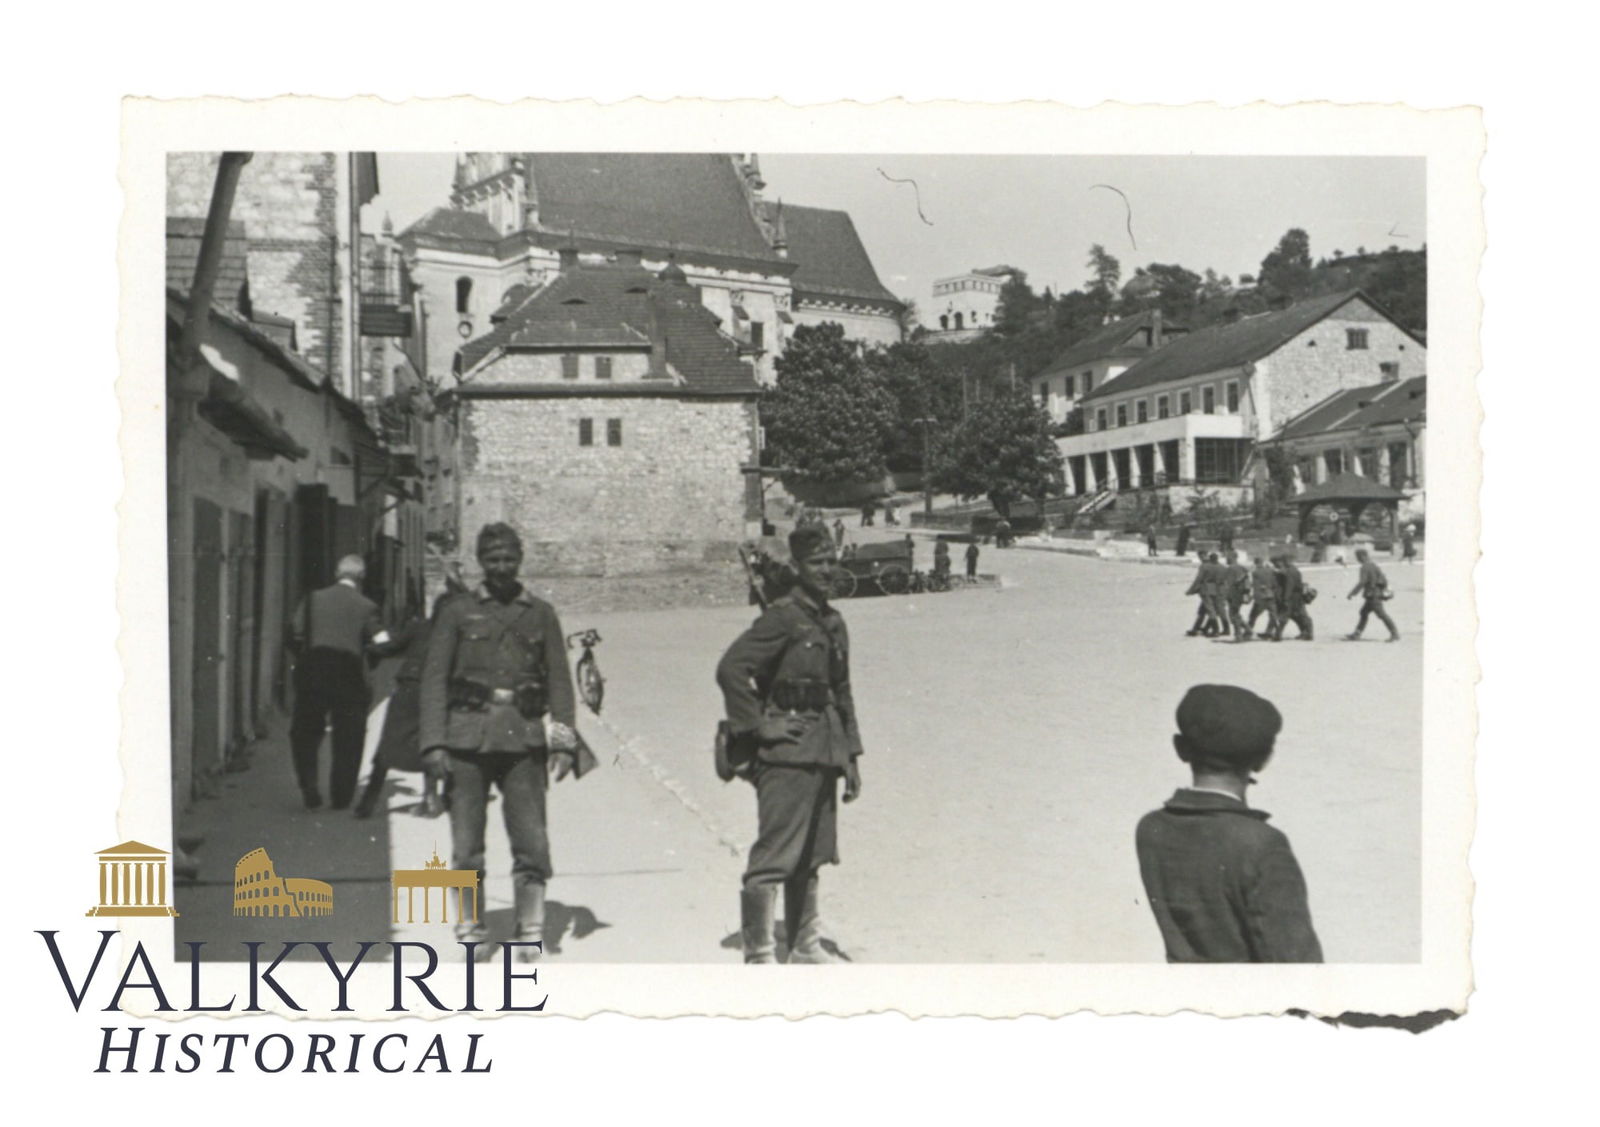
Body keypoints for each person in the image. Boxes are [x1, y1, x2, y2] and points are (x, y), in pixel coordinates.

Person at [419, 523, 589, 959]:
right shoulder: (457, 612)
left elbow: (561, 686)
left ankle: (530, 929)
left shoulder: (540, 614)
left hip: (523, 742)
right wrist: (434, 745)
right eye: (492, 560)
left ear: (519, 561)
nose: (500, 568)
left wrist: (565, 742)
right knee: (466, 845)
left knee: (531, 840)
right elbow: (434, 680)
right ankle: (471, 929)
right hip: (466, 742)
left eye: (508, 560)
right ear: (480, 561)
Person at [716, 525, 865, 964]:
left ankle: (803, 944)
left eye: (831, 561)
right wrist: (760, 728)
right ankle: (759, 951)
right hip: (785, 752)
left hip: (824, 749)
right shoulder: (781, 618)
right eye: (817, 563)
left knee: (813, 854)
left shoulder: (834, 622)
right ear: (798, 568)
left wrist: (852, 756)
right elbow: (731, 669)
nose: (827, 570)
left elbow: (843, 690)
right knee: (775, 855)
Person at [1135, 685, 1323, 962]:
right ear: (1264, 759)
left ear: (1180, 748)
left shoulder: (1151, 827)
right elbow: (1295, 964)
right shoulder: (1262, 844)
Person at [354, 565, 469, 820]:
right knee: (432, 742)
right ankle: (431, 799)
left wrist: (367, 648)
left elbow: (390, 646)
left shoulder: (420, 627)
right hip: (438, 693)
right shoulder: (458, 634)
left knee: (388, 744)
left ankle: (367, 803)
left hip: (408, 688)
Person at [289, 554, 390, 810]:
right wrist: (369, 662)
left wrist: (306, 659)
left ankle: (309, 786)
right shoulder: (367, 606)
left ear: (337, 573)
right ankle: (341, 796)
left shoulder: (313, 600)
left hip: (312, 678)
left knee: (305, 734)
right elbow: (382, 644)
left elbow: (294, 633)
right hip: (350, 680)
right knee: (349, 738)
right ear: (361, 577)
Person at [1346, 548, 1400, 642]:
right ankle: (1357, 633)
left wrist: (1352, 593)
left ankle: (1394, 633)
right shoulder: (1374, 565)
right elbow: (1383, 579)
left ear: (1363, 556)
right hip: (1375, 594)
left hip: (1372, 595)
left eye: (1358, 557)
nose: (1357, 559)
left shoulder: (1365, 567)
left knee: (1382, 615)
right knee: (1363, 612)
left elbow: (1362, 582)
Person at [1274, 551, 1314, 641]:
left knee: (1286, 615)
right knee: (1299, 615)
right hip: (1297, 597)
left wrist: (1285, 599)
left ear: (1286, 561)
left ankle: (1278, 635)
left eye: (1283, 561)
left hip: (1293, 597)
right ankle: (1307, 633)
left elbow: (1289, 586)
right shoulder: (1295, 570)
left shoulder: (1290, 572)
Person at [1247, 554, 1282, 642]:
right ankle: (1277, 633)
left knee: (1253, 616)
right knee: (1273, 616)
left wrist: (1254, 597)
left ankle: (1247, 633)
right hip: (1270, 596)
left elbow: (1255, 586)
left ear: (1255, 563)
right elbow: (1274, 584)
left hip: (1261, 598)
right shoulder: (1270, 571)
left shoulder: (1255, 572)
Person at [1223, 550, 1252, 640]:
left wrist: (1225, 596)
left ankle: (1239, 634)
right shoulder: (1242, 568)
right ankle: (1247, 630)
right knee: (1236, 613)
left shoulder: (1231, 569)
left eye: (1227, 557)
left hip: (1234, 594)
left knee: (1233, 615)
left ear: (1232, 558)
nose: (1226, 559)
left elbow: (1230, 584)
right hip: (1241, 594)